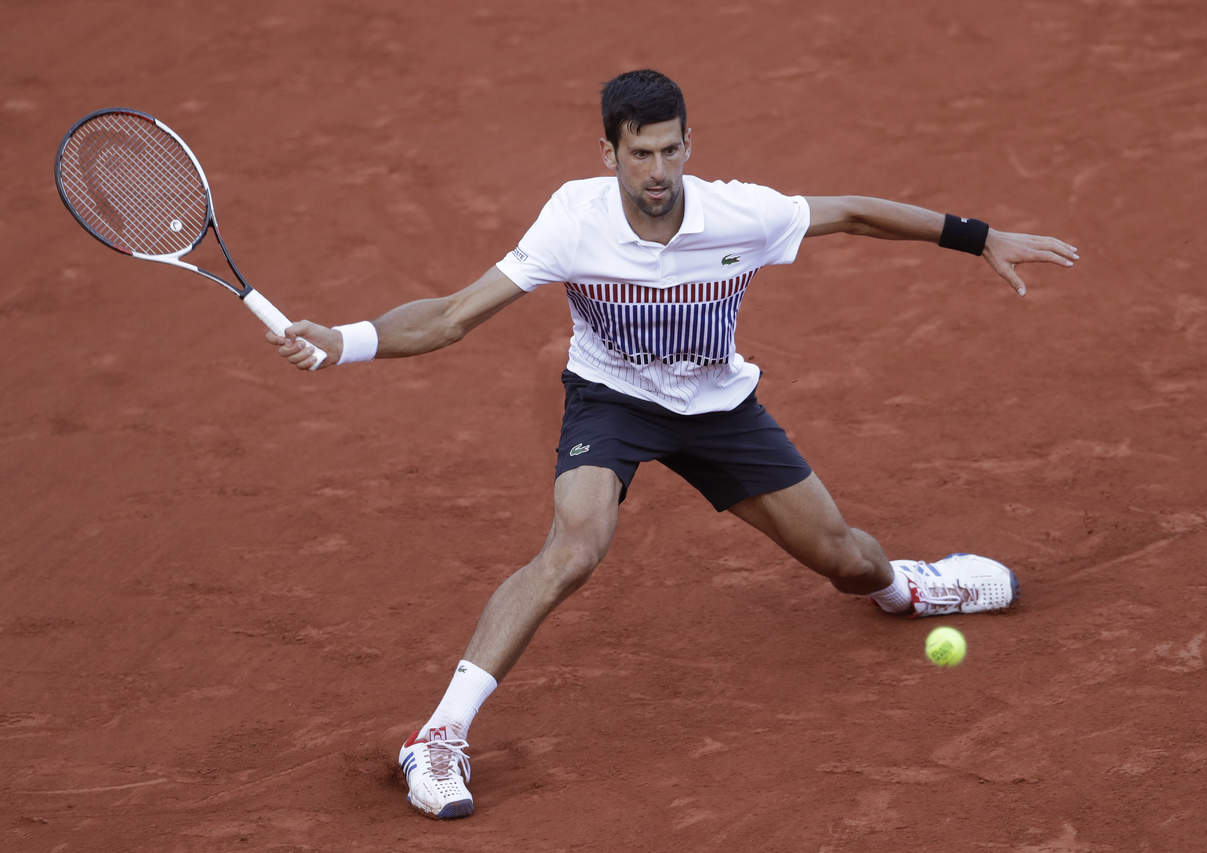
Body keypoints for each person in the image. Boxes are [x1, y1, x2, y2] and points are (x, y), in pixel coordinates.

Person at [268, 69, 1078, 820]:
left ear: (689, 144)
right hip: (612, 402)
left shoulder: (742, 215)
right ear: (609, 153)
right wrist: (344, 341)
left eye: (669, 150)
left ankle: (906, 589)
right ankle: (438, 738)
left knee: (848, 561)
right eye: (639, 153)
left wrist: (979, 236)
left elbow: (855, 213)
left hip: (718, 408)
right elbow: (453, 314)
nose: (657, 171)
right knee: (574, 548)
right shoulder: (573, 221)